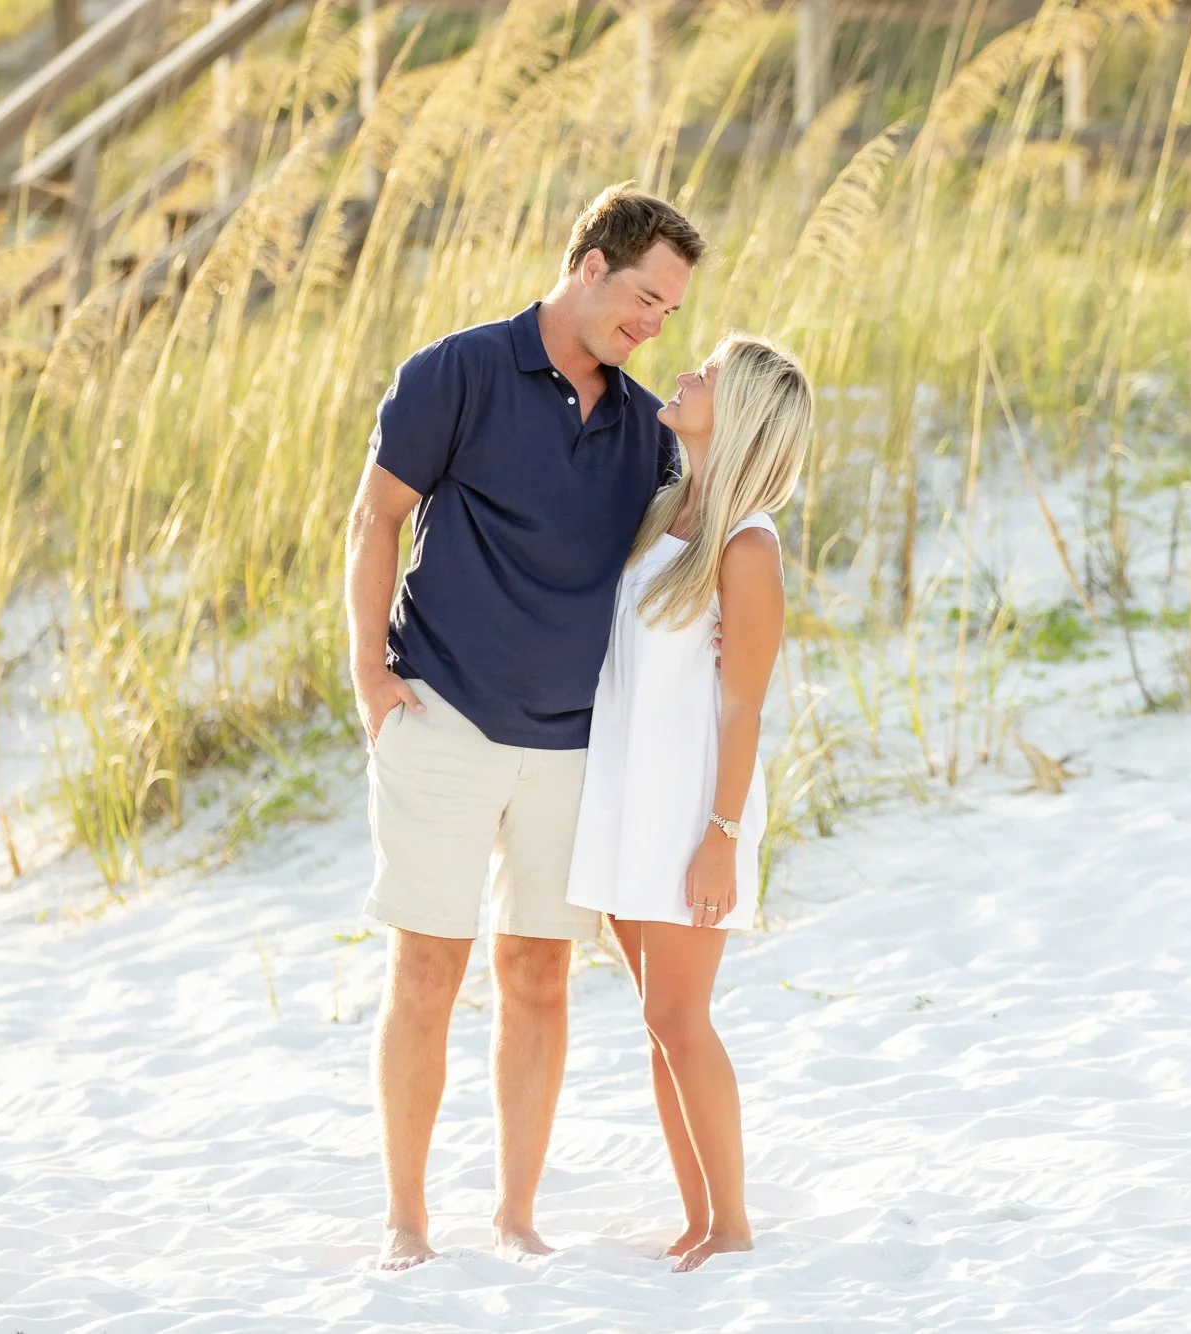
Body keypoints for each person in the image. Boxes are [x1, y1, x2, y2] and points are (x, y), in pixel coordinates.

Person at [343, 185, 705, 1271]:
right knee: (426, 970)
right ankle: (407, 1217)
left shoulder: (645, 427)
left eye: (668, 314)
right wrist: (367, 671)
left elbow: (691, 554)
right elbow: (375, 516)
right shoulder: (455, 370)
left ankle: (514, 1213)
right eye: (643, 297)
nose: (651, 325)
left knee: (539, 974)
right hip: (442, 711)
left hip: (572, 743)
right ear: (589, 263)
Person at [565, 332, 814, 1272]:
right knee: (656, 1018)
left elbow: (743, 706)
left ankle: (732, 1223)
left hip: (690, 811)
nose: (687, 374)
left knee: (680, 1015)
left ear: (741, 411)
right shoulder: (668, 511)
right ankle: (699, 1214)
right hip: (630, 796)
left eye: (709, 374)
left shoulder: (748, 548)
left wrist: (719, 837)